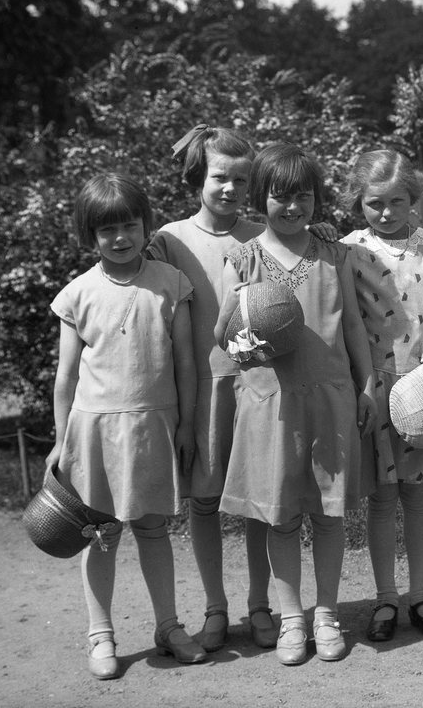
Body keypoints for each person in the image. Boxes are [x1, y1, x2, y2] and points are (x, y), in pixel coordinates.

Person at [213, 143, 377, 666]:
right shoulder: (242, 259)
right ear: (260, 199)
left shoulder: (334, 254)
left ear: (316, 199)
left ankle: (326, 614)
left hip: (330, 399)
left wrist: (369, 385)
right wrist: (249, 342)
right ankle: (292, 618)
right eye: (280, 196)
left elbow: (352, 326)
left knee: (329, 516)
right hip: (269, 404)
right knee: (281, 518)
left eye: (302, 196)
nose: (292, 207)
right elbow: (224, 338)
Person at [47, 173, 209, 681]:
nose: (120, 238)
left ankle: (168, 627)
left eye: (129, 226)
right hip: (94, 431)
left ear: (145, 225)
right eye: (106, 230)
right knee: (101, 534)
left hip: (153, 426)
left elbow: (185, 362)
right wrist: (60, 440)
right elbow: (66, 377)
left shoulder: (169, 283)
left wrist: (185, 424)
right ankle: (101, 634)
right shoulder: (77, 295)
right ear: (89, 236)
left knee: (153, 528)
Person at [146, 125, 279, 651]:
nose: (230, 188)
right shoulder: (170, 239)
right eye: (220, 177)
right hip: (202, 391)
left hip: (257, 386)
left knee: (257, 501)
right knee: (204, 501)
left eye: (242, 180)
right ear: (200, 175)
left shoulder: (262, 234)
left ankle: (261, 606)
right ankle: (216, 608)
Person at [340, 149, 423, 643]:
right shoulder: (349, 251)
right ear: (359, 203)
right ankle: (385, 596)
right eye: (375, 203)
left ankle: (421, 593)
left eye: (398, 201)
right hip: (376, 388)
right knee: (382, 496)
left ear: (414, 199)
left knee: (418, 492)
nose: (387, 212)